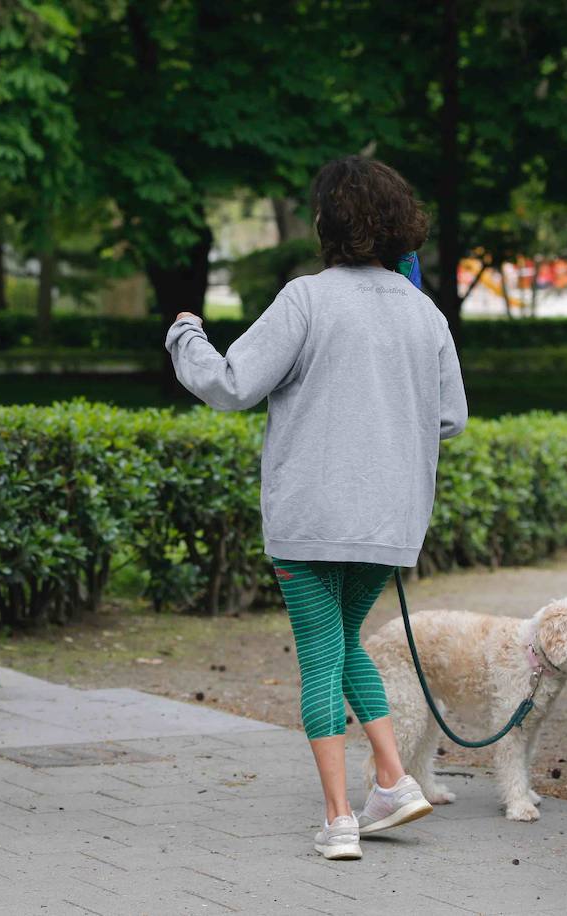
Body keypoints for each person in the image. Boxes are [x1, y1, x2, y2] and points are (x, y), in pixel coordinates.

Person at [164, 155, 467, 861]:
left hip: (309, 517)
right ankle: (391, 782)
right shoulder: (425, 312)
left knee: (320, 656)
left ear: (330, 222)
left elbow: (234, 383)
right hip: (390, 523)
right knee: (343, 645)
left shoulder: (307, 299)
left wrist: (185, 334)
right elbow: (450, 418)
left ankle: (339, 821)